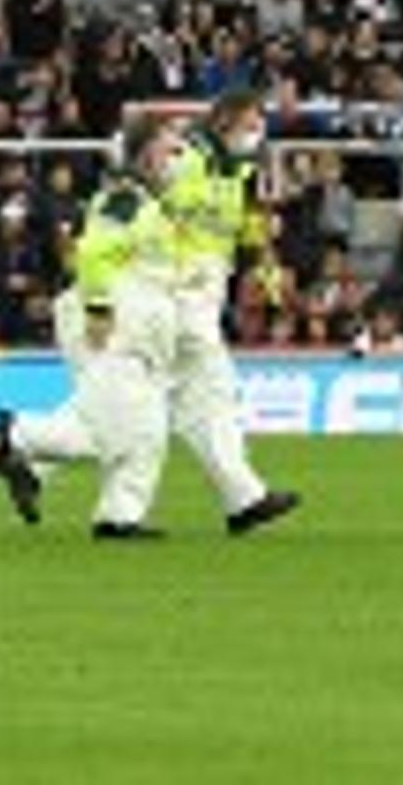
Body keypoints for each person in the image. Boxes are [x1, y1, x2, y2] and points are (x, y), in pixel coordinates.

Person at [0, 120, 184, 539]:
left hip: (135, 327)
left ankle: (119, 515)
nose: (177, 162)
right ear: (145, 153)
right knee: (114, 431)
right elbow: (93, 252)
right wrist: (97, 308)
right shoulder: (126, 200)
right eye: (171, 152)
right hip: (117, 324)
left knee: (146, 424)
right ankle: (17, 434)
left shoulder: (147, 202)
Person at [161, 87, 302, 536]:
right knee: (214, 390)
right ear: (225, 122)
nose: (255, 135)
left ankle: (23, 442)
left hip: (205, 286)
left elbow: (239, 223)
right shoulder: (190, 157)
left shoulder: (235, 168)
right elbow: (170, 210)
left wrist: (263, 250)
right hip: (180, 286)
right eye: (250, 125)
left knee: (140, 401)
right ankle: (244, 499)